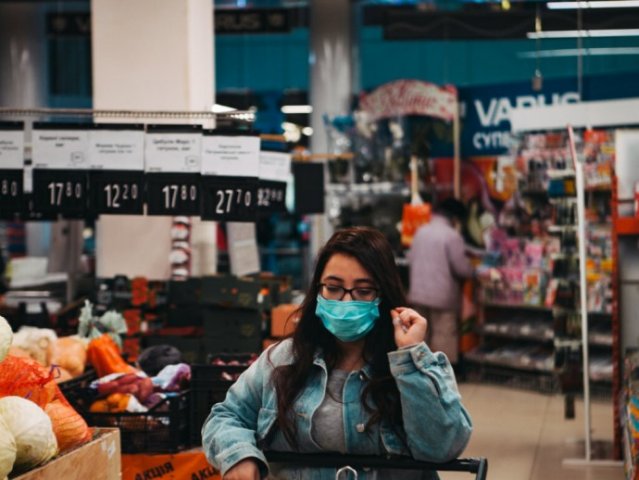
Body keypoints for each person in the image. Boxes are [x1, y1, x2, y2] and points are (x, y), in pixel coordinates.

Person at [202, 226, 472, 480]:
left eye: (363, 291)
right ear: (317, 290)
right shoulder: (283, 360)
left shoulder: (412, 365)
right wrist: (238, 455)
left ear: (383, 295)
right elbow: (227, 416)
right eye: (333, 288)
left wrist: (410, 355)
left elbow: (442, 447)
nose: (346, 301)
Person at [406, 198, 476, 369]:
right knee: (443, 334)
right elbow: (461, 268)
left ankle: (420, 370)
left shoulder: (421, 232)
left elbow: (410, 258)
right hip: (442, 296)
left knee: (421, 333)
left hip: (418, 293)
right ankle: (442, 372)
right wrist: (474, 272)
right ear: (455, 218)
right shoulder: (452, 236)